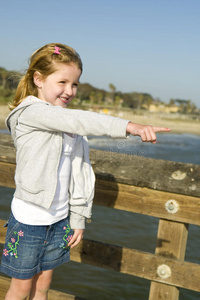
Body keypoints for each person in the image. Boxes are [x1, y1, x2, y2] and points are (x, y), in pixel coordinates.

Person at [0, 43, 170, 300]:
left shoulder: (67, 123)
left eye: (75, 84)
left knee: (44, 284)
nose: (69, 91)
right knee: (21, 287)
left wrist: (78, 217)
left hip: (59, 220)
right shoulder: (31, 113)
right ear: (38, 79)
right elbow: (81, 119)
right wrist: (130, 126)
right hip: (30, 220)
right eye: (62, 82)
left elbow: (79, 174)